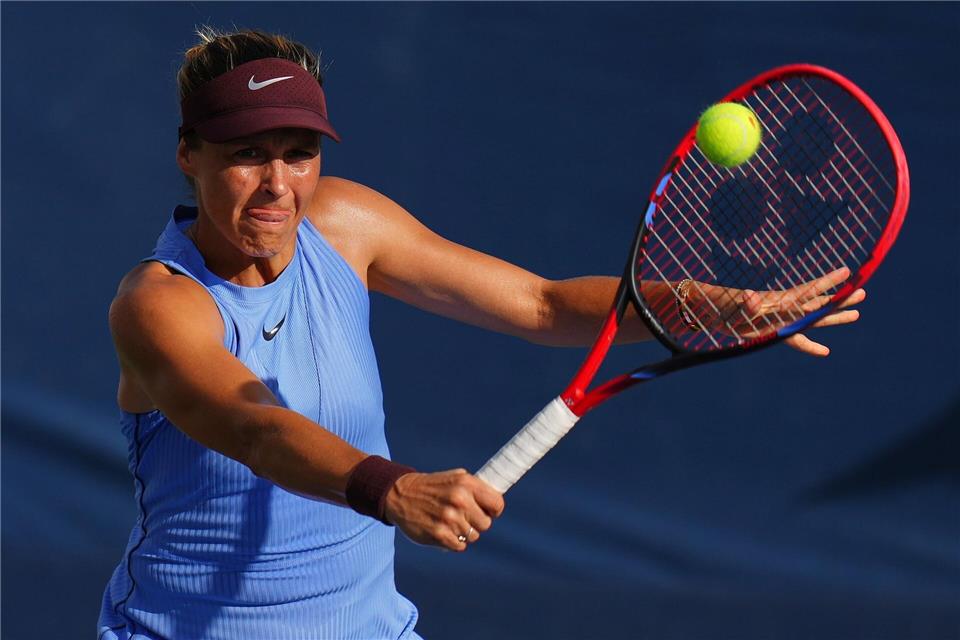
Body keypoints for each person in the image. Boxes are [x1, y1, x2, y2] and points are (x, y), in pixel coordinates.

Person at [98, 27, 866, 640]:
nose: (278, 184)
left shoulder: (344, 221)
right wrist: (391, 488)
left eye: (299, 155)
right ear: (187, 155)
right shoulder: (160, 304)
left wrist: (709, 305)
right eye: (245, 156)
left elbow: (540, 304)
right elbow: (256, 429)